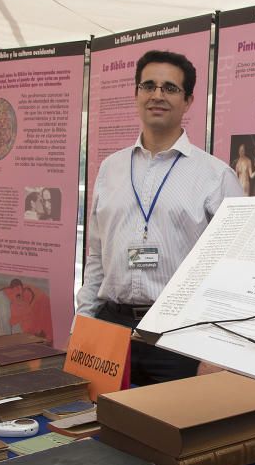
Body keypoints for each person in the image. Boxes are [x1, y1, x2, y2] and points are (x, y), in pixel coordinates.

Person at [77, 50, 243, 385]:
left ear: (188, 101)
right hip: (110, 328)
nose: (157, 95)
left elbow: (234, 271)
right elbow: (97, 256)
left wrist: (215, 351)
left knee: (168, 432)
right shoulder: (111, 169)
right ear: (136, 94)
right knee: (101, 429)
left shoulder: (215, 176)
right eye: (148, 86)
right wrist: (81, 324)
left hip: (178, 335)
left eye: (169, 88)